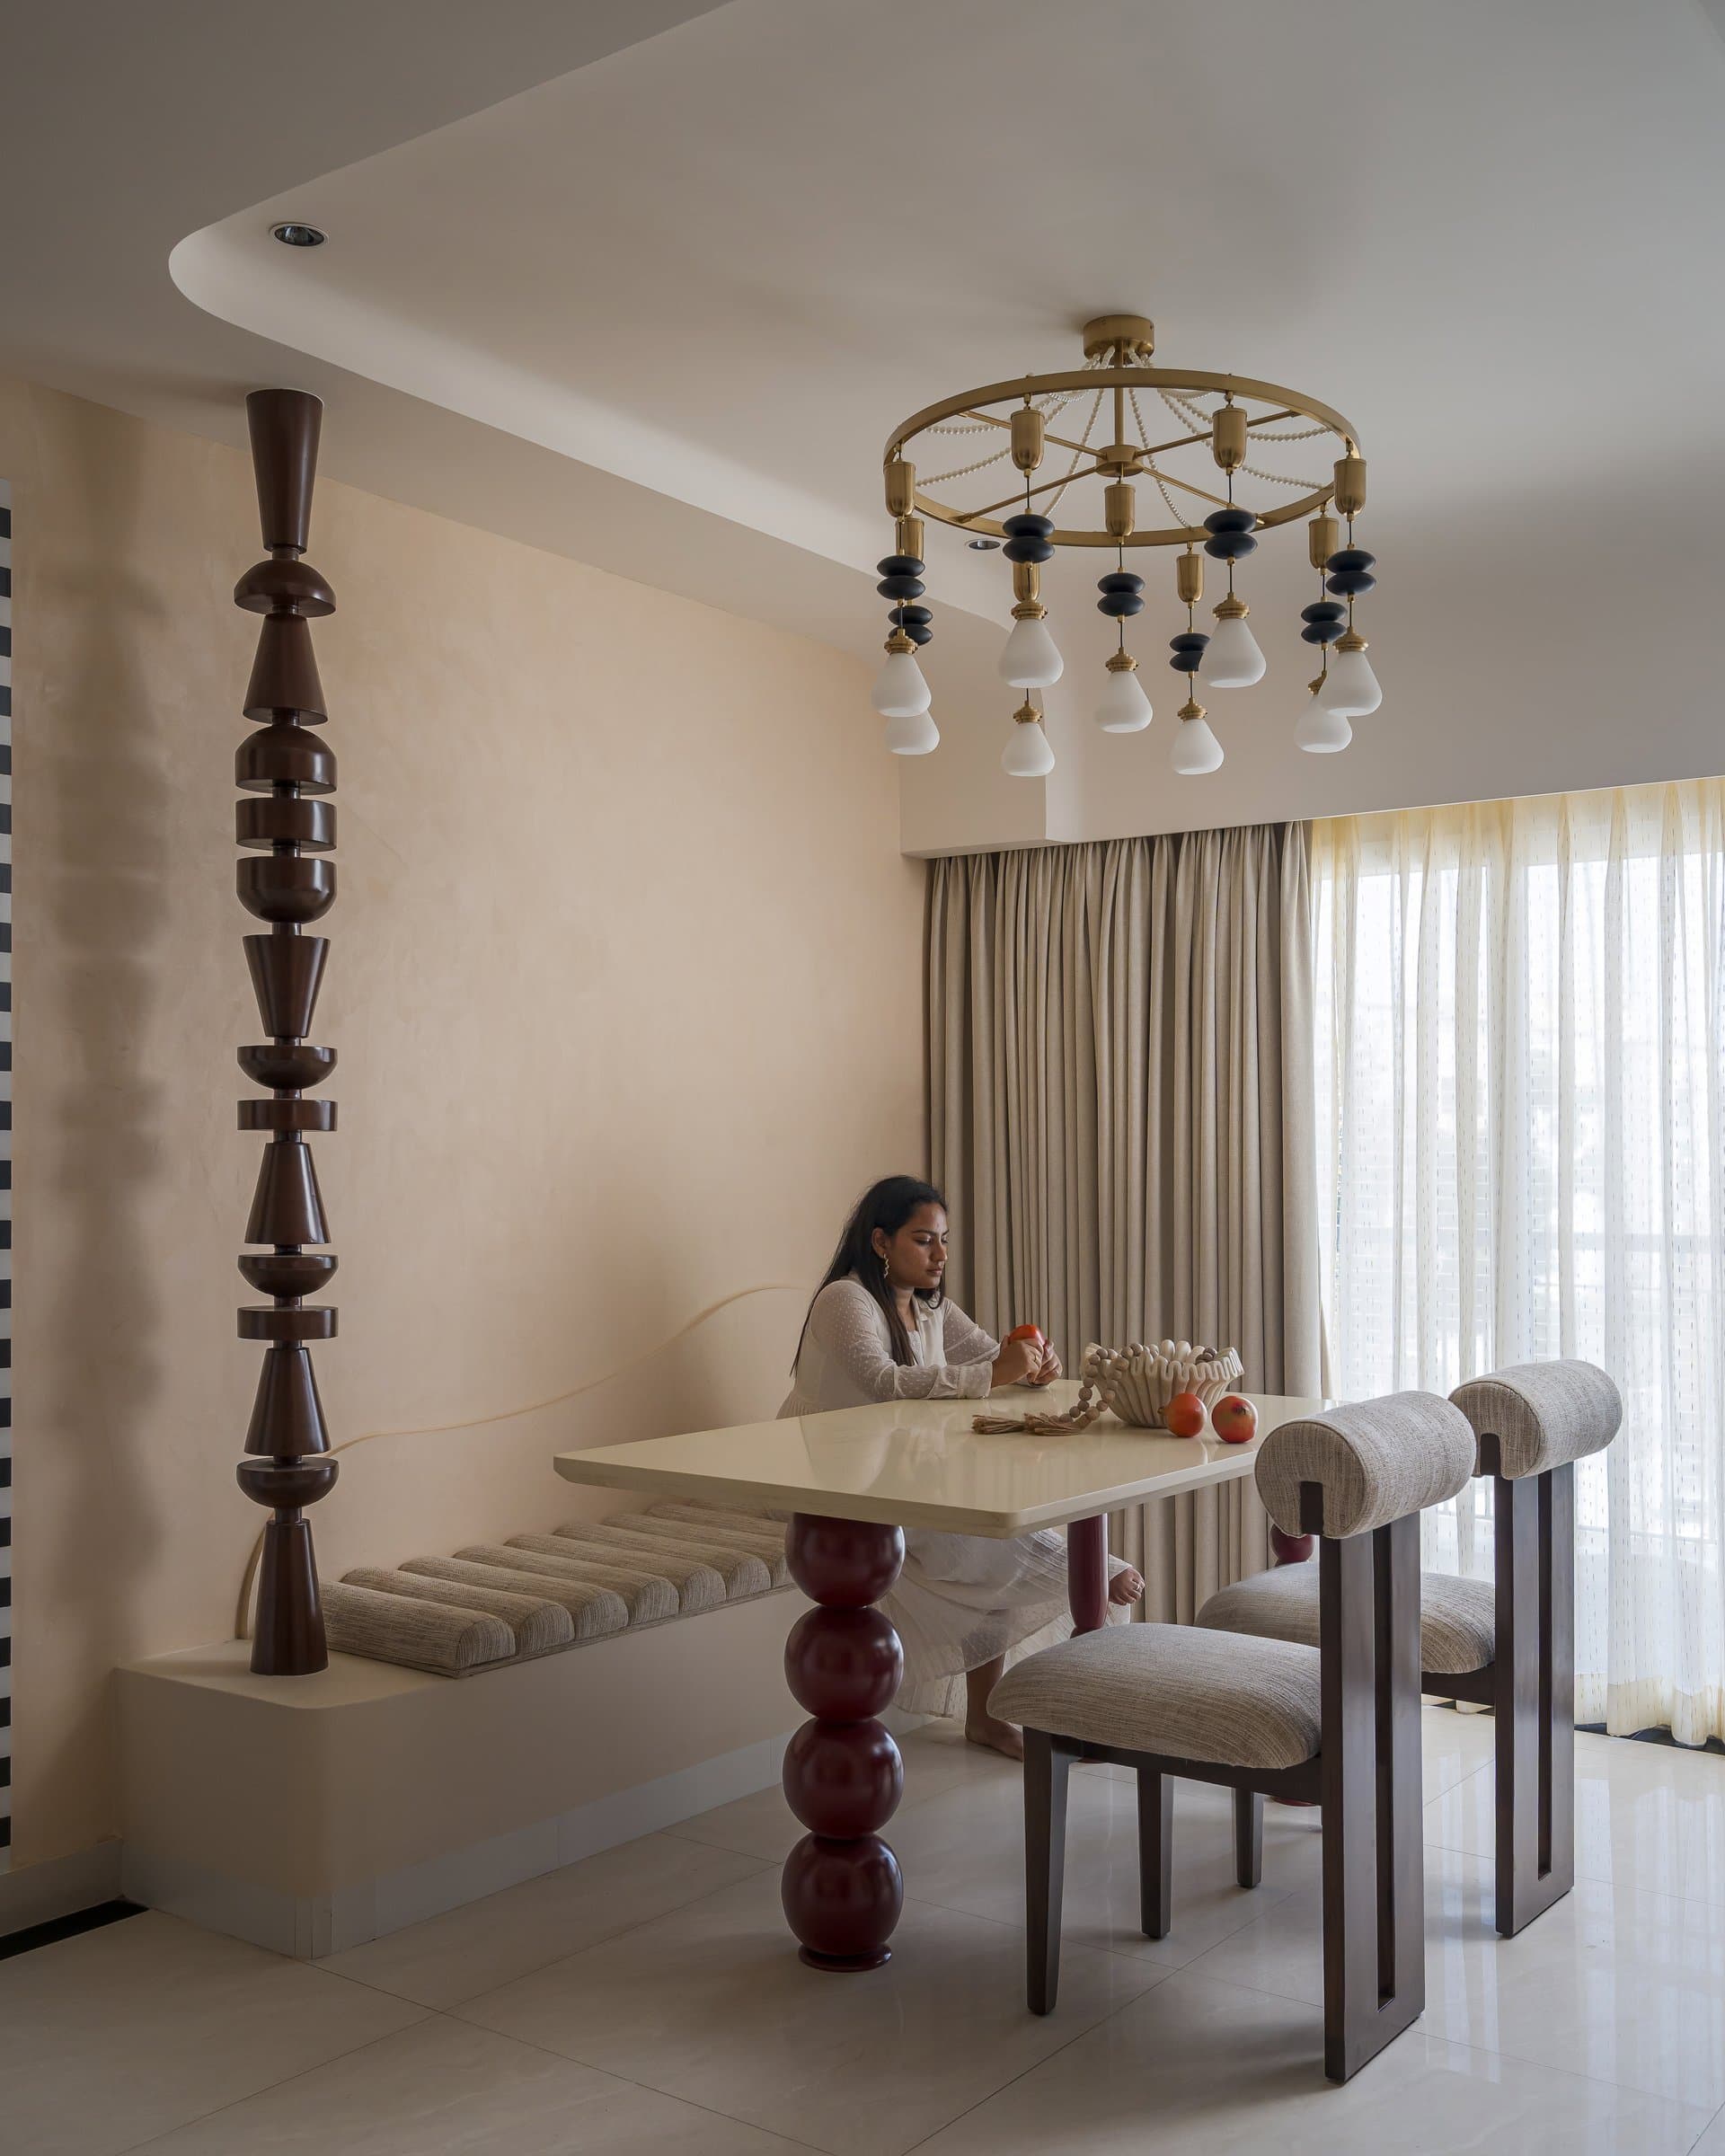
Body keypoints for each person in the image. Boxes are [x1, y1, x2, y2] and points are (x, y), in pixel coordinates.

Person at [782, 1175, 1144, 1758]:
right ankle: (1089, 1568)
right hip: (831, 1480)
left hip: (895, 1470)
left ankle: (985, 1717)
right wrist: (999, 1371)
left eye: (943, 1240)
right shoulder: (845, 1301)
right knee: (988, 1541)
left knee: (991, 1534)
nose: (940, 1255)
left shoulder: (930, 1308)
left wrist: (1033, 1368)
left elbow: (989, 1358)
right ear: (880, 1242)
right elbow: (884, 1382)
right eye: (924, 1240)